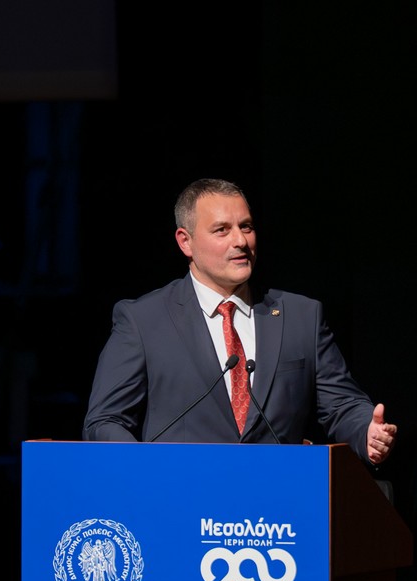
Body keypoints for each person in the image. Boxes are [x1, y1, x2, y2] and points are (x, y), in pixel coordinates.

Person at [82, 178, 396, 465]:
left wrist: (365, 432)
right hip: (180, 495)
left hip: (276, 499)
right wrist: (143, 467)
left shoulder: (302, 316)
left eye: (246, 227)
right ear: (185, 241)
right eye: (222, 230)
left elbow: (342, 404)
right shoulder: (144, 320)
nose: (241, 241)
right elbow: (105, 420)